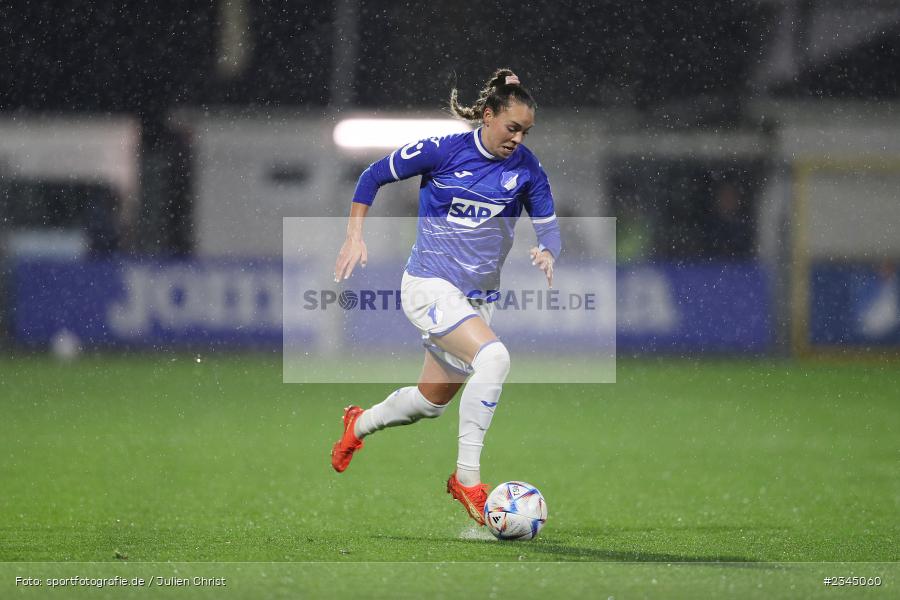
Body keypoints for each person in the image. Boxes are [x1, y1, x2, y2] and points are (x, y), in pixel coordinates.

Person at [330, 68, 561, 526]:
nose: (517, 138)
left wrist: (548, 250)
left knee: (430, 403)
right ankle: (467, 481)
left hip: (477, 299)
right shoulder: (443, 151)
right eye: (511, 127)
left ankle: (357, 424)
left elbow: (550, 225)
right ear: (488, 116)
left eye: (525, 131)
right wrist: (354, 235)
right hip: (428, 285)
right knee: (494, 358)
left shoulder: (527, 169)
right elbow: (372, 176)